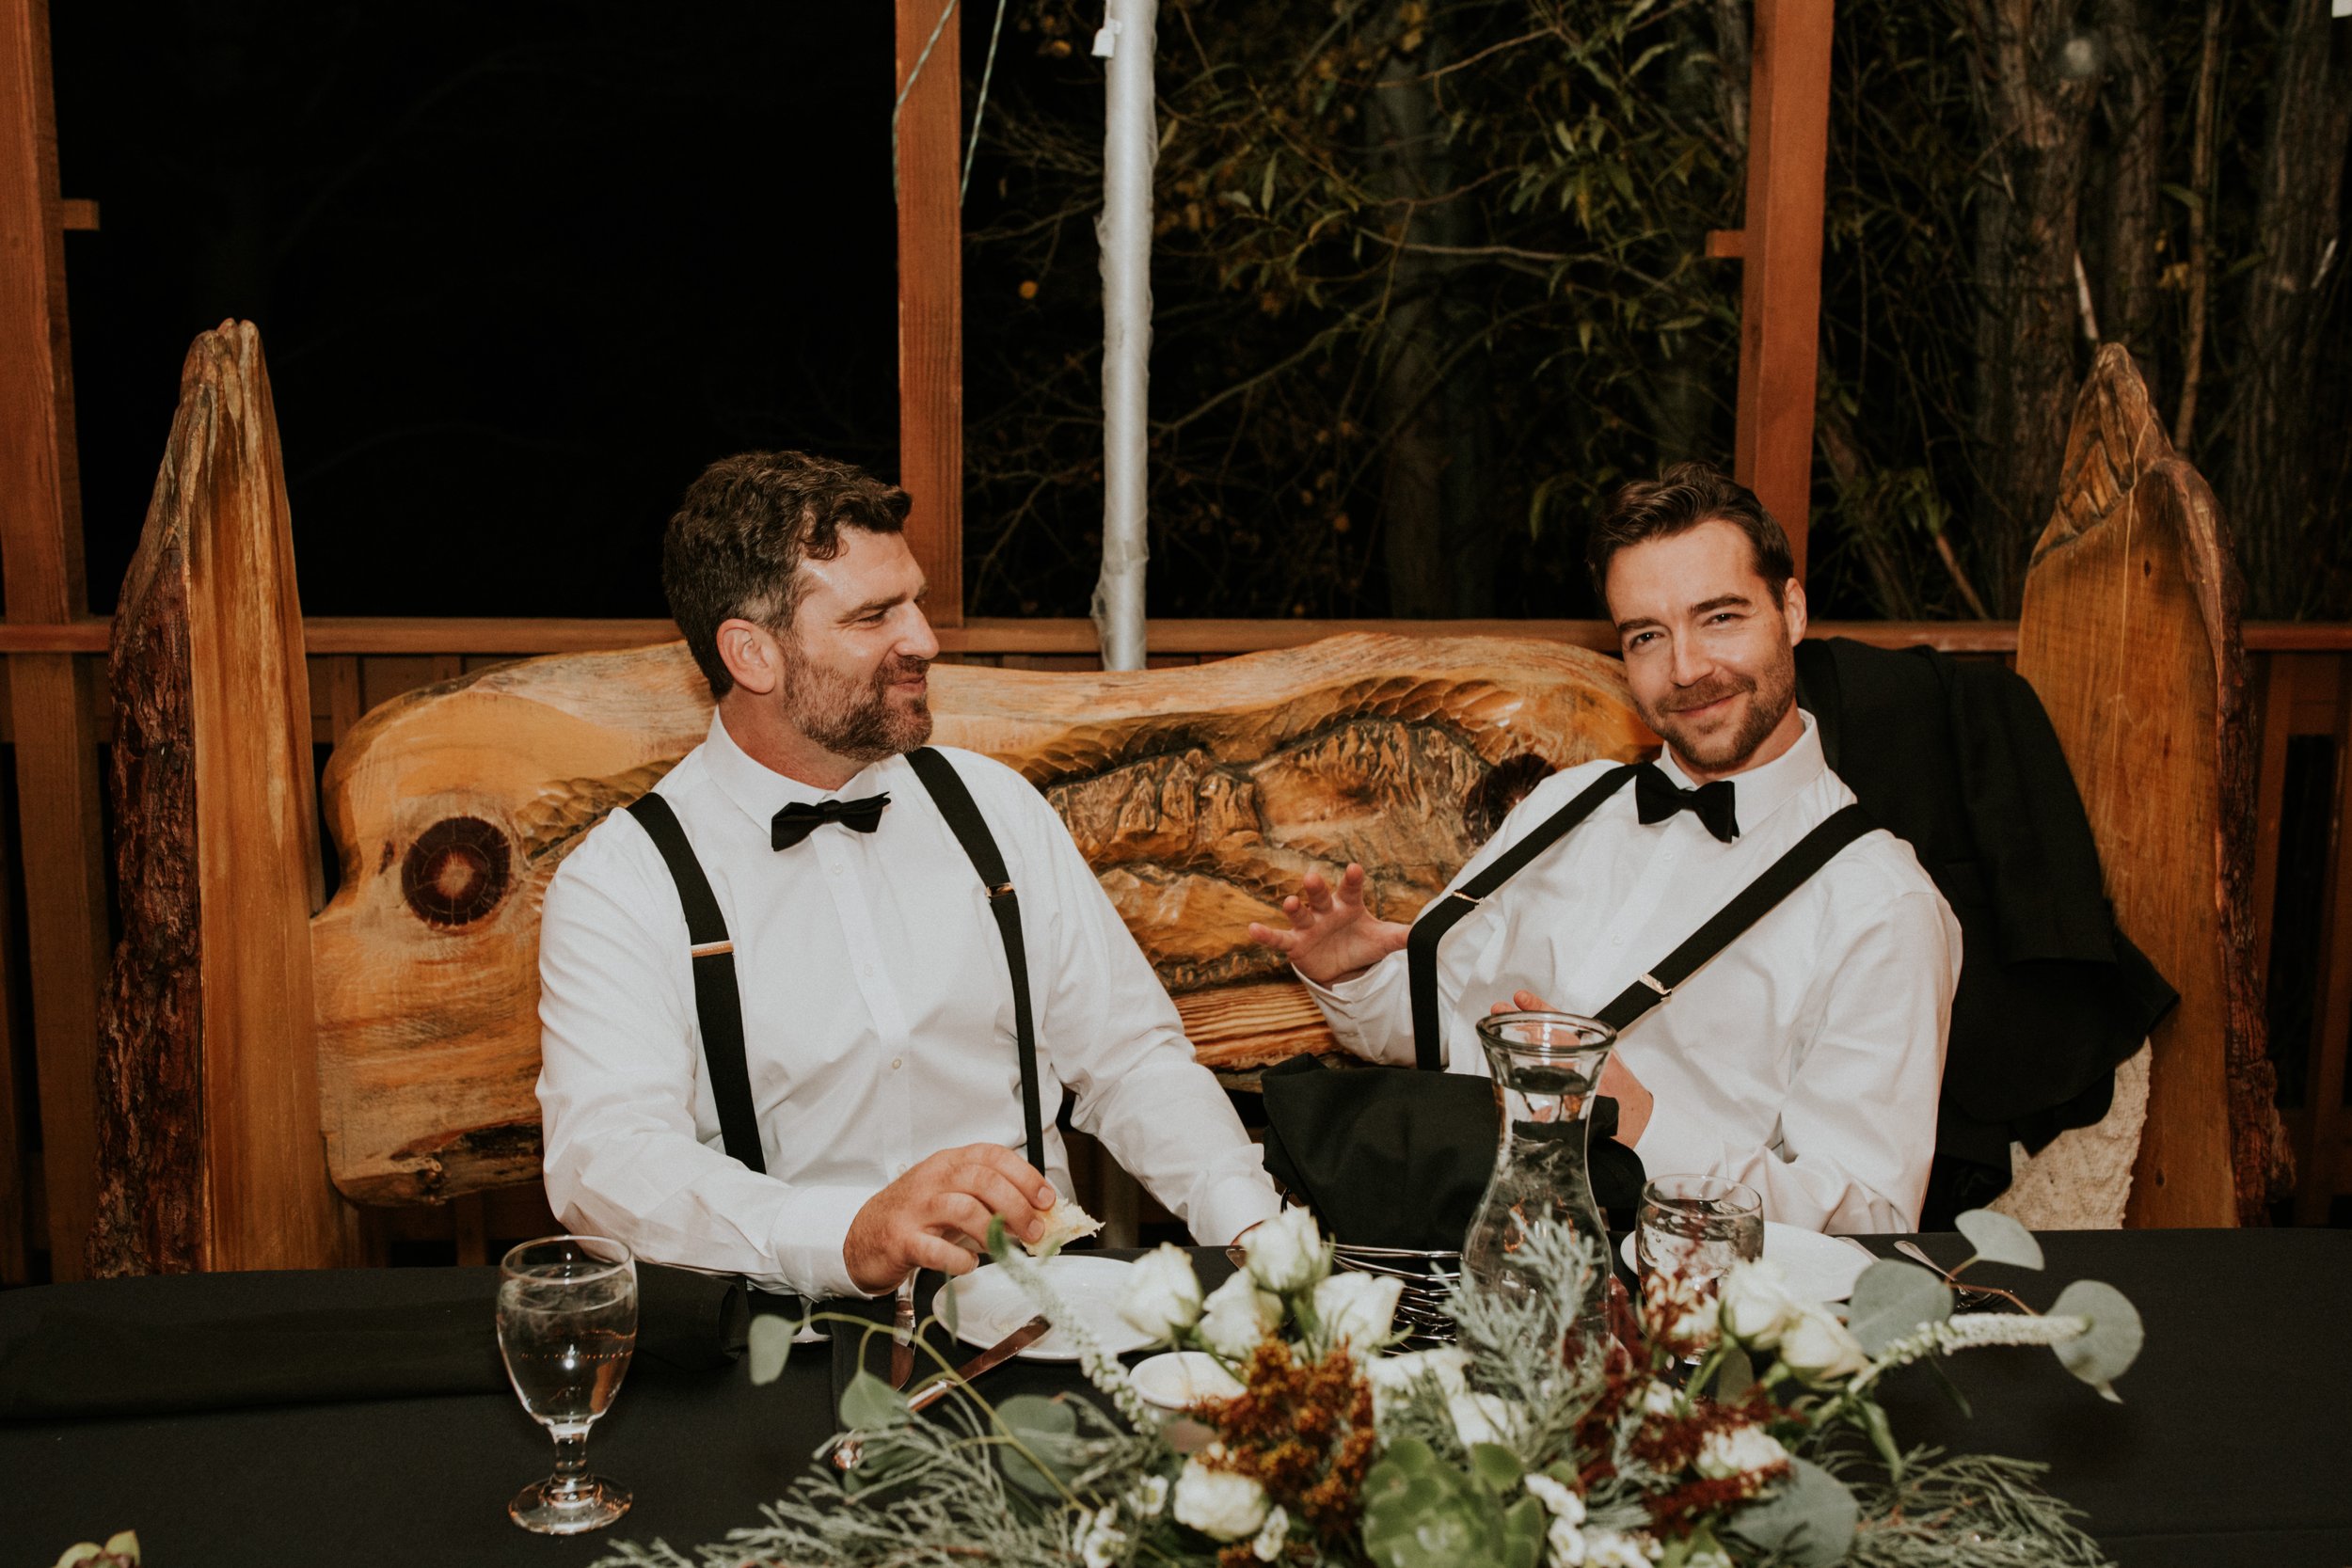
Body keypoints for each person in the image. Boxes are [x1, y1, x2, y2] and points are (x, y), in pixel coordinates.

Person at [536, 451, 1280, 1299]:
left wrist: (1251, 1226)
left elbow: (1130, 1060)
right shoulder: (622, 882)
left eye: (915, 601)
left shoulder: (993, 808)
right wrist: (845, 1237)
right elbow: (609, 1161)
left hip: (1050, 1319)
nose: (923, 639)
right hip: (791, 1338)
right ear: (751, 654)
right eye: (873, 615)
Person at [1250, 464, 1961, 1232]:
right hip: (1452, 1247)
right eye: (1648, 636)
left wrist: (1644, 1123)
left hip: (1674, 1302)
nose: (1687, 669)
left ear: (1790, 609)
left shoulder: (1882, 905)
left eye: (1720, 617)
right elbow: (1450, 1046)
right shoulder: (1566, 803)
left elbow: (1872, 1221)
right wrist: (1356, 979)